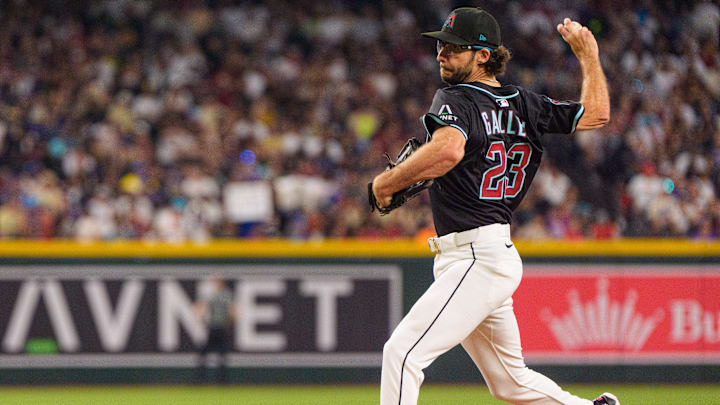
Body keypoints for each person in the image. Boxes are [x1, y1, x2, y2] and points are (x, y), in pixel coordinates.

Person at [371, 7, 618, 405]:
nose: (440, 55)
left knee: (401, 355)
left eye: (452, 48)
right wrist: (589, 55)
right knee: (510, 384)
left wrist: (385, 182)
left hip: (475, 256)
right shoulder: (527, 104)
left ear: (483, 55)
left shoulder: (457, 97)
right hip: (488, 253)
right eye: (440, 46)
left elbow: (448, 149)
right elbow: (597, 114)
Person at [195, 277, 236, 384]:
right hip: (213, 328)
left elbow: (232, 311)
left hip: (220, 328)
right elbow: (202, 309)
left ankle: (221, 380)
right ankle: (202, 379)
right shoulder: (217, 294)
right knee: (206, 354)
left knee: (221, 356)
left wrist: (229, 322)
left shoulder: (222, 295)